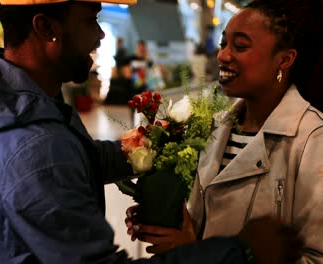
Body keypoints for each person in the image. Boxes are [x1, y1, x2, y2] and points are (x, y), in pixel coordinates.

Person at [0, 0, 303, 263]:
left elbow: (81, 159)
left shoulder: (16, 101)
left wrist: (156, 142)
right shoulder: (35, 145)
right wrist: (238, 251)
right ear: (46, 28)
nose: (100, 35)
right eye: (90, 19)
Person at [126, 0, 323, 262]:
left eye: (240, 46)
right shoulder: (217, 126)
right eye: (223, 44)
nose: (223, 55)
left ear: (284, 59)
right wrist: (164, 215)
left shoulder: (312, 139)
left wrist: (194, 252)